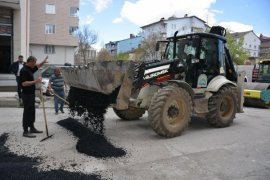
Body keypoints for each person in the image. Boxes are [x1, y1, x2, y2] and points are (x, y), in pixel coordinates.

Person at [20, 55, 48, 138]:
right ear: (30, 62)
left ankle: (32, 128)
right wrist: (36, 81)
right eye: (34, 62)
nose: (35, 64)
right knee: (27, 112)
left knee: (32, 111)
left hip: (31, 94)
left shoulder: (30, 68)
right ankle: (25, 131)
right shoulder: (24, 70)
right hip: (26, 94)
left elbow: (38, 66)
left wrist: (43, 61)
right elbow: (24, 83)